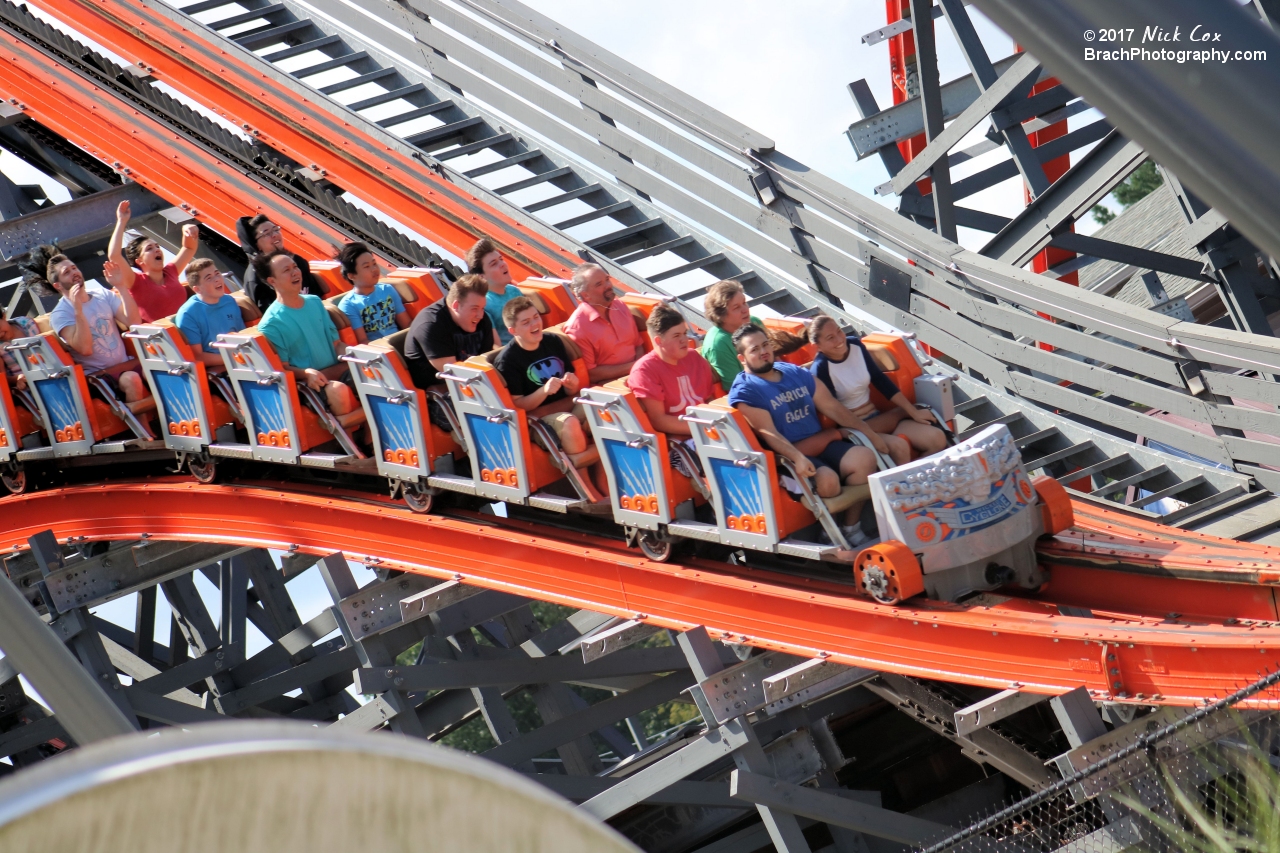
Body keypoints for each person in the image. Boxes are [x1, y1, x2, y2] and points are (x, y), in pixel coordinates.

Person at [728, 324, 886, 542]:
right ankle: (827, 533)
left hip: (820, 443)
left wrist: (869, 433)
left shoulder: (793, 372)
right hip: (789, 457)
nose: (763, 351)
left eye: (765, 344)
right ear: (742, 358)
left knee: (864, 457)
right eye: (754, 349)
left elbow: (832, 406)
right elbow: (768, 432)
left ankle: (851, 527)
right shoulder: (745, 390)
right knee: (827, 480)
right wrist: (798, 458)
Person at [494, 296, 603, 501]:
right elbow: (519, 404)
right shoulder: (508, 360)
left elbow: (573, 390)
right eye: (526, 322)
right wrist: (543, 391)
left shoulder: (552, 341)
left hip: (567, 404)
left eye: (535, 317)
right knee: (570, 423)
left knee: (601, 407)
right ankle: (587, 489)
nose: (534, 324)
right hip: (540, 419)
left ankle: (605, 476)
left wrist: (572, 384)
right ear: (513, 331)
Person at [808, 315, 946, 465]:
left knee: (937, 438)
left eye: (839, 331)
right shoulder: (820, 368)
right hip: (855, 429)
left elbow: (880, 380)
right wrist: (872, 435)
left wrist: (914, 412)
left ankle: (923, 478)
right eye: (830, 338)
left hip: (878, 418)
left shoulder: (854, 345)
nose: (840, 340)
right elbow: (835, 411)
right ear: (817, 346)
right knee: (899, 447)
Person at [254, 251, 357, 416]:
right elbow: (284, 367)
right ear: (272, 281)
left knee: (373, 377)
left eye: (295, 267)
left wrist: (354, 356)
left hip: (338, 370)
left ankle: (370, 438)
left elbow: (336, 344)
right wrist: (306, 373)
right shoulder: (271, 323)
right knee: (338, 390)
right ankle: (351, 440)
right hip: (309, 384)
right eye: (286, 270)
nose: (295, 272)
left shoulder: (315, 302)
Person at [46, 256, 149, 404]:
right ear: (57, 285)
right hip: (99, 378)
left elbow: (133, 322)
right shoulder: (60, 314)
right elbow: (85, 348)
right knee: (131, 379)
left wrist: (120, 286)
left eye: (74, 268)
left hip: (127, 365)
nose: (74, 272)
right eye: (66, 272)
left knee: (157, 368)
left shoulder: (103, 294)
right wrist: (78, 310)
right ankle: (144, 427)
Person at [628, 303, 716, 436]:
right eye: (676, 336)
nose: (684, 340)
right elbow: (659, 420)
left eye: (684, 333)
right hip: (680, 441)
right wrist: (704, 431)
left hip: (710, 431)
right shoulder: (644, 371)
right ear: (658, 341)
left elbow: (708, 400)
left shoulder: (693, 357)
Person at [403, 273, 499, 390]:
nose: (480, 315)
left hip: (471, 383)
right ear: (456, 305)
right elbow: (454, 374)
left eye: (482, 308)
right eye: (474, 309)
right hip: (438, 394)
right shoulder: (431, 324)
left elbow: (485, 361)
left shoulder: (481, 319)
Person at [107, 200, 196, 322]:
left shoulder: (170, 271)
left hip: (190, 330)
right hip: (164, 338)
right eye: (150, 249)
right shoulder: (136, 282)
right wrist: (121, 221)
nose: (157, 250)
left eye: (157, 246)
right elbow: (114, 255)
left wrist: (188, 229)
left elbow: (189, 248)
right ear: (140, 261)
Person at [562, 263, 644, 383]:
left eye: (607, 280)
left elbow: (638, 344)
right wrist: (635, 367)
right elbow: (591, 374)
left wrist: (641, 369)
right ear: (586, 295)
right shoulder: (577, 327)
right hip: (610, 385)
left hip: (638, 373)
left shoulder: (620, 306)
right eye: (599, 284)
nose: (608, 285)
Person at [236, 215, 328, 314]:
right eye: (266, 234)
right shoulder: (255, 277)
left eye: (276, 230)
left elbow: (318, 296)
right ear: (256, 244)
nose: (275, 235)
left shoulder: (297, 260)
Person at [174, 260, 245, 368]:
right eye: (209, 278)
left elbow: (243, 335)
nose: (217, 279)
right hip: (221, 369)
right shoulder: (187, 314)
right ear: (197, 289)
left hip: (242, 359)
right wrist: (234, 359)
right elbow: (197, 356)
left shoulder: (229, 301)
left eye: (217, 274)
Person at [336, 242, 408, 344]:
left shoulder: (387, 289)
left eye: (374, 264)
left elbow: (406, 324)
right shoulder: (348, 305)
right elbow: (363, 341)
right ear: (351, 276)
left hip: (401, 343)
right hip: (380, 352)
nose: (374, 269)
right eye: (367, 267)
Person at [471, 238, 522, 345]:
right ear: (482, 276)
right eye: (494, 264)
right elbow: (495, 346)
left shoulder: (514, 291)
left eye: (501, 259)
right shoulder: (484, 304)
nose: (502, 264)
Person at [0, 312, 38, 389]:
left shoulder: (27, 323)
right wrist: (17, 379)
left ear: (4, 316)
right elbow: (2, 379)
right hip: (28, 386)